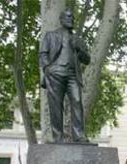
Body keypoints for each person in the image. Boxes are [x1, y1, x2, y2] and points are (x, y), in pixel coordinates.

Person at [39, 9, 90, 143]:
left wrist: (79, 49)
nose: (71, 20)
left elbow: (87, 60)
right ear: (61, 20)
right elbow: (43, 53)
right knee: (55, 105)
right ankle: (58, 137)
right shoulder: (50, 35)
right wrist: (47, 68)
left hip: (73, 75)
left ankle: (78, 135)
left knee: (77, 102)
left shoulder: (77, 39)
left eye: (72, 18)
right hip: (56, 72)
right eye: (68, 17)